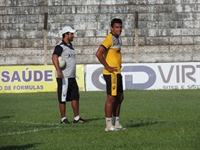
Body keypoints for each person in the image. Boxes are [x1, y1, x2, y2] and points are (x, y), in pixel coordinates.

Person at [96, 18, 125, 131]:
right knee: (111, 98)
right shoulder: (109, 39)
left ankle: (116, 123)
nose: (119, 29)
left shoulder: (117, 39)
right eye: (116, 27)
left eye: (120, 27)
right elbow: (98, 53)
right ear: (111, 28)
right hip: (111, 73)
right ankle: (108, 125)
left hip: (117, 72)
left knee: (120, 97)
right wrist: (107, 67)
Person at [52, 26, 85, 124]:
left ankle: (76, 118)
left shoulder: (71, 46)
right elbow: (54, 57)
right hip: (63, 77)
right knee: (63, 98)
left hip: (72, 76)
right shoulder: (60, 46)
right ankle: (63, 119)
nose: (73, 35)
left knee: (75, 96)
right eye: (71, 34)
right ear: (66, 34)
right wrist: (58, 70)